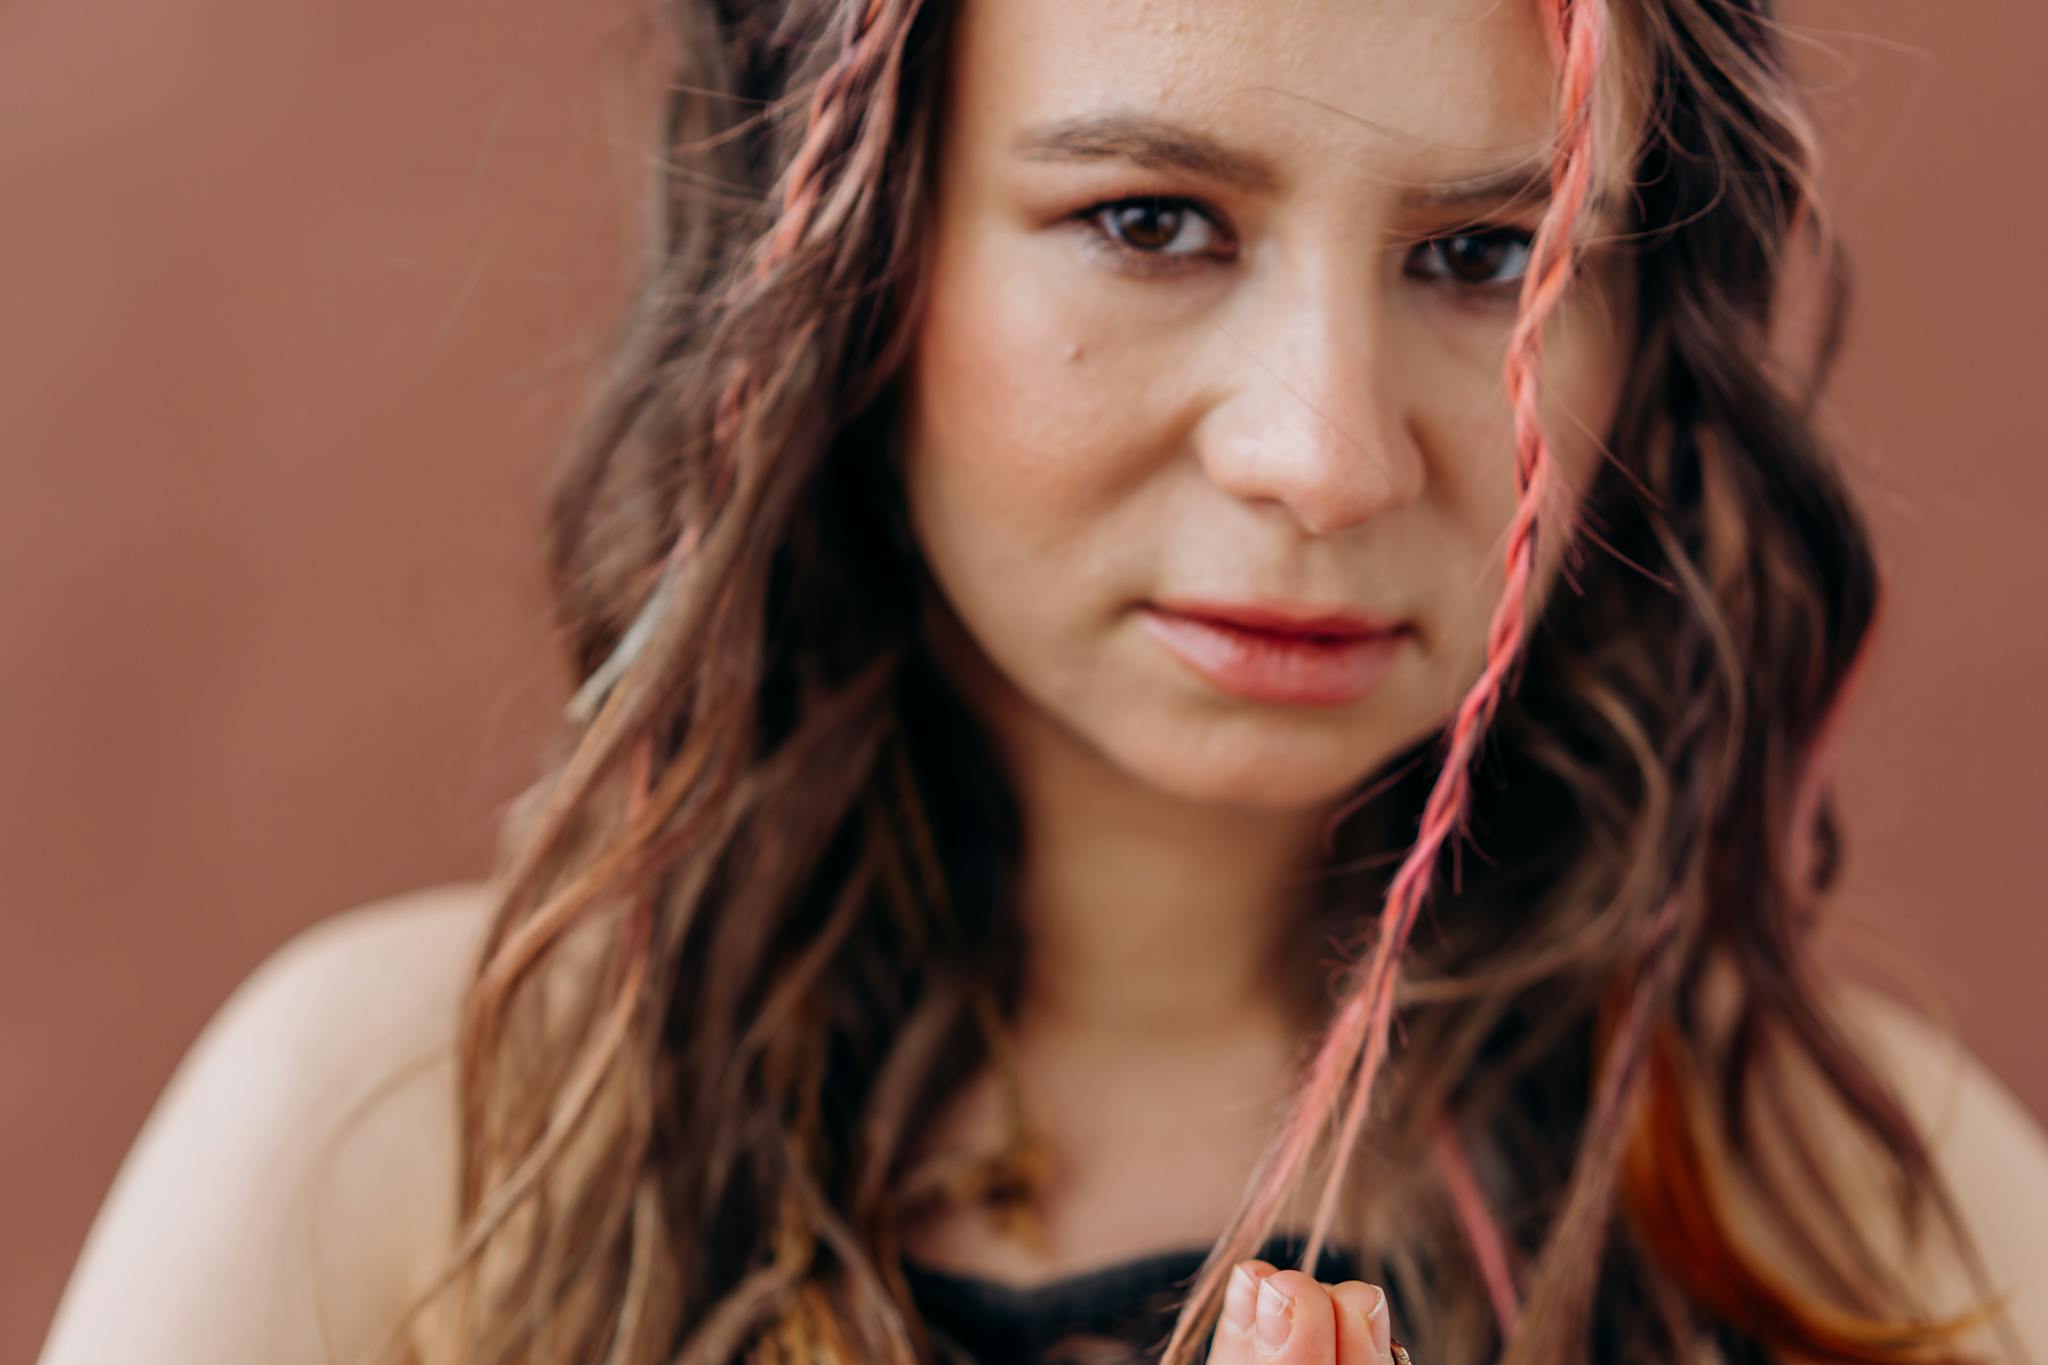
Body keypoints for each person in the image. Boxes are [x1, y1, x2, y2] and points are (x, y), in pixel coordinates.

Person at [37, 0, 2048, 1361]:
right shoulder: (402, 1152)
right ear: (849, 261)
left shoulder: (1857, 1214)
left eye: (1481, 257)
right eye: (1149, 220)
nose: (1327, 454)